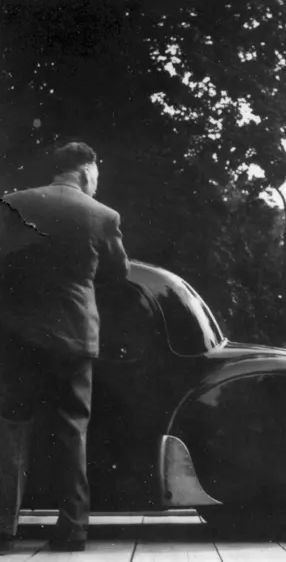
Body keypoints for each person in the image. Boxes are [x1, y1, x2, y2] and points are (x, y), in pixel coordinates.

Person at [0, 142, 130, 553]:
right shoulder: (103, 216)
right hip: (73, 336)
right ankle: (72, 529)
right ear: (87, 170)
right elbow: (118, 274)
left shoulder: (13, 204)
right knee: (72, 431)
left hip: (16, 336)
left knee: (10, 430)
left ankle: (3, 527)